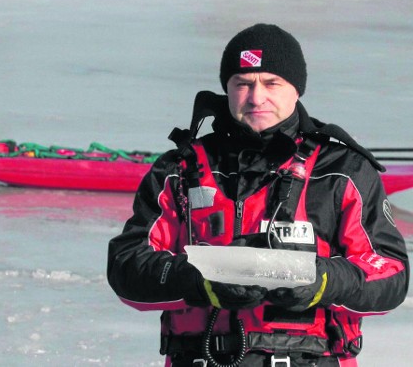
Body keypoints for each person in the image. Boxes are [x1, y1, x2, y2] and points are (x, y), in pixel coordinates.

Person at [107, 23, 409, 367]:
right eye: (243, 83)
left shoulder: (343, 170)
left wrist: (321, 279)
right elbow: (126, 266)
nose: (256, 97)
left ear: (296, 89)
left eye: (271, 83)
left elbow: (392, 273)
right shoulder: (178, 170)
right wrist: (201, 280)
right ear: (227, 89)